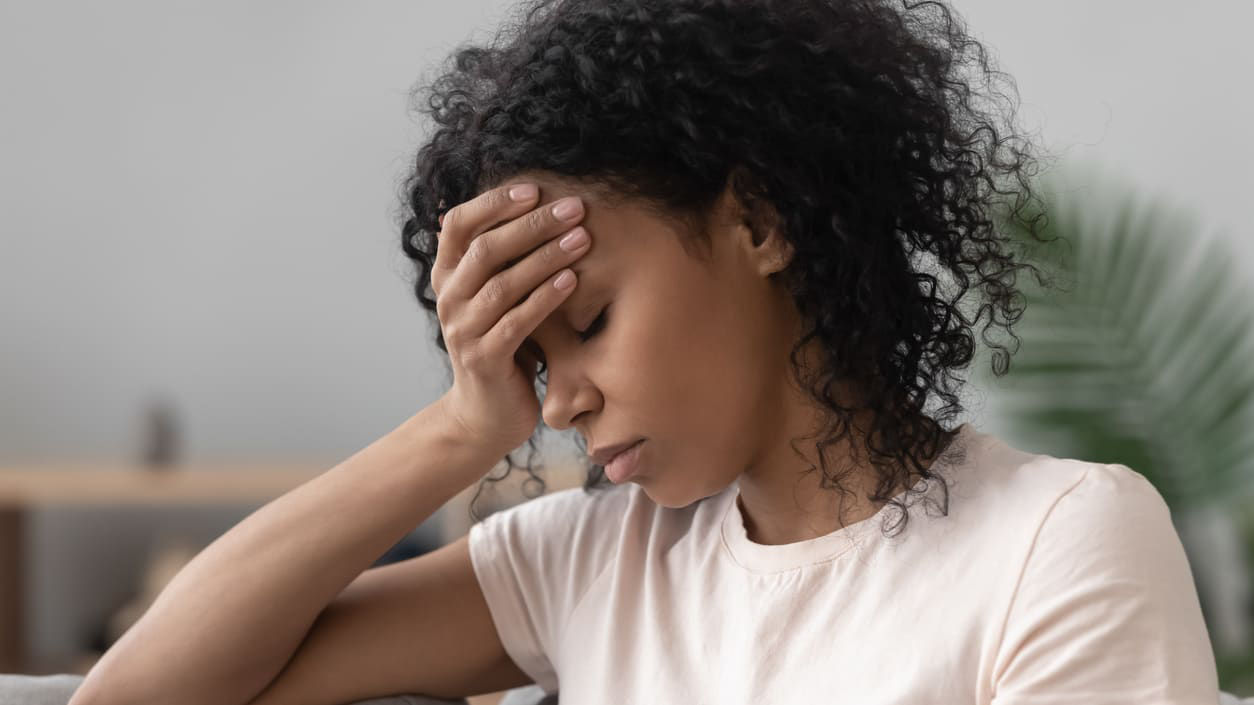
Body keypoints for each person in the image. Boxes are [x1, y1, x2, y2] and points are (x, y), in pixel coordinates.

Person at [68, 1, 1221, 704]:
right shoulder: (590, 563)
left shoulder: (1057, 541)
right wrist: (459, 430)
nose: (559, 402)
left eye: (590, 323)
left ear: (759, 222)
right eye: (531, 362)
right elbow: (136, 696)